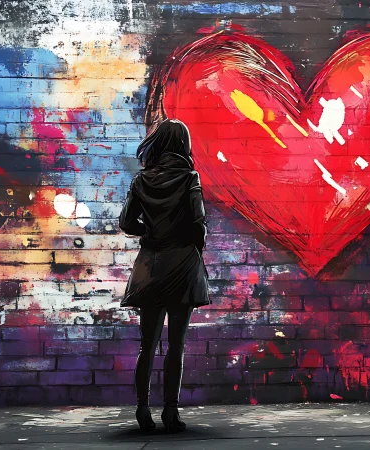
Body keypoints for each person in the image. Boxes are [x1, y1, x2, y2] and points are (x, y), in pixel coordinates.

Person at [118, 118, 211, 433]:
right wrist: (187, 240)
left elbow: (127, 223)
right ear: (182, 144)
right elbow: (199, 225)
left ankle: (142, 410)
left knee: (147, 344)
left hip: (151, 266)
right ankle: (171, 412)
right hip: (182, 264)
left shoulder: (141, 180)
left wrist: (152, 231)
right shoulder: (189, 178)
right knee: (176, 344)